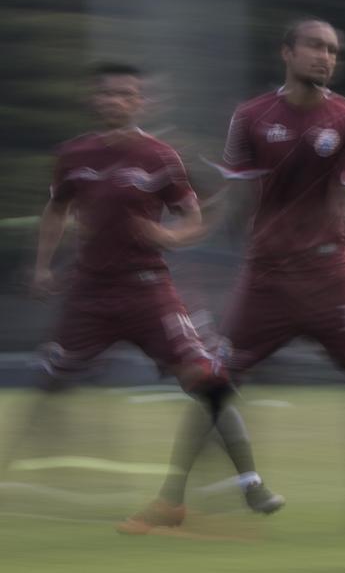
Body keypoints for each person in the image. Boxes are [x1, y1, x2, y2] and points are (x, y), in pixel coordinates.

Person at [121, 19, 345, 532]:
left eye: (333, 51)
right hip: (267, 279)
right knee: (216, 387)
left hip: (331, 272)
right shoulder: (251, 117)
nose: (326, 57)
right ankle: (172, 504)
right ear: (287, 53)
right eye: (316, 47)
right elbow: (235, 200)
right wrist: (184, 236)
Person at [0, 62, 281, 528]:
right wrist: (43, 266)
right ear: (95, 99)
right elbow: (55, 210)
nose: (115, 101)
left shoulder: (160, 156)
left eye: (126, 94)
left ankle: (250, 482)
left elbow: (193, 217)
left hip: (148, 291)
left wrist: (172, 237)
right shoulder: (74, 154)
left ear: (140, 102)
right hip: (89, 294)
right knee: (49, 382)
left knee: (208, 381)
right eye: (107, 94)